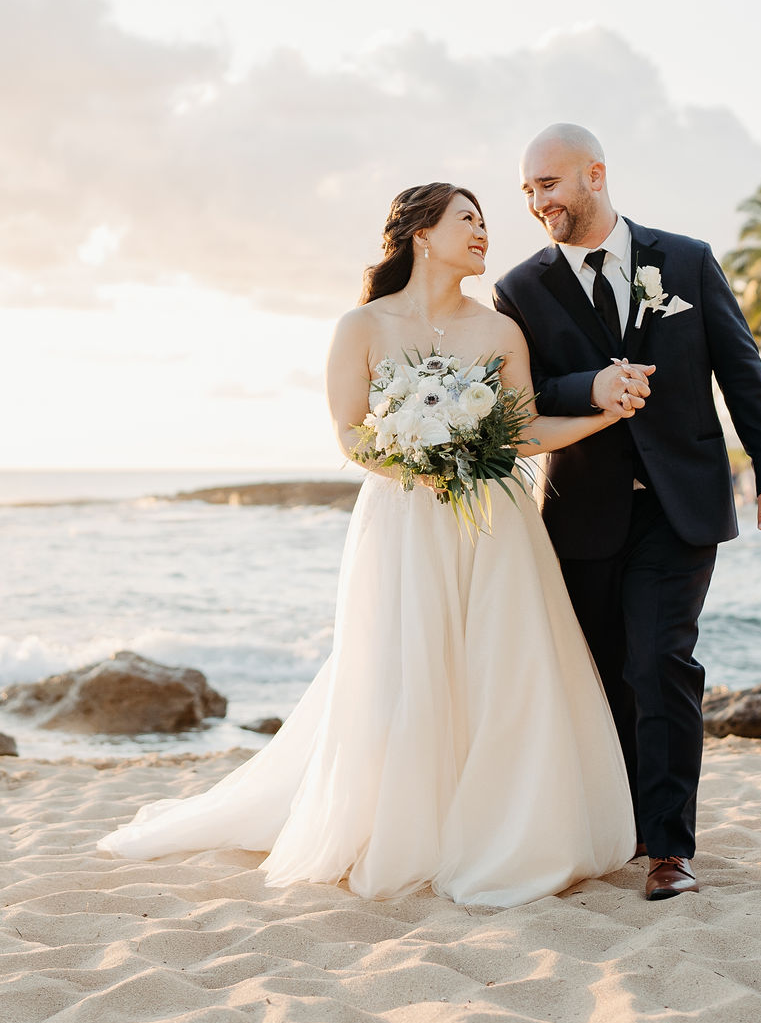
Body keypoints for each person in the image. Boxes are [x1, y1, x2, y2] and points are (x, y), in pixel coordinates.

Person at [98, 182, 636, 908]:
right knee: (406, 670)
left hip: (496, 524)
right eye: (468, 220)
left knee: (505, 670)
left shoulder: (500, 330)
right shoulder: (362, 327)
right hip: (406, 518)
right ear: (422, 234)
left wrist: (603, 415)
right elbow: (352, 436)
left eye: (486, 223)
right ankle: (413, 826)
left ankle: (507, 828)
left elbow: (523, 431)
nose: (484, 233)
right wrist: (424, 460)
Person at [494, 124, 761, 900]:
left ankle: (669, 849)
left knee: (660, 661)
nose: (538, 203)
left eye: (549, 184)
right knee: (605, 676)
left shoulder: (687, 260)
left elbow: (741, 368)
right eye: (528, 190)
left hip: (682, 504)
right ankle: (622, 824)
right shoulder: (520, 289)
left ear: (595, 175)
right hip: (580, 513)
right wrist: (590, 387)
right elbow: (522, 396)